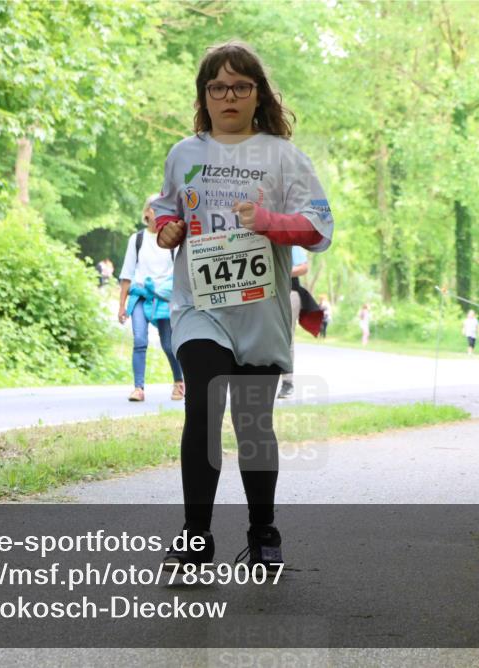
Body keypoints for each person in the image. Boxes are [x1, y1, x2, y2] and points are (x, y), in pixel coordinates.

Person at [152, 41, 333, 570]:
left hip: (261, 310)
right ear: (204, 97)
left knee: (253, 424)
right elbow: (165, 208)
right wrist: (167, 229)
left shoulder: (284, 156)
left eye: (240, 86)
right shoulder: (185, 153)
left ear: (259, 95)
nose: (228, 96)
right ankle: (195, 536)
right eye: (217, 87)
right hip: (198, 307)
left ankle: (263, 531)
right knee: (202, 411)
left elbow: (320, 229)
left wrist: (270, 223)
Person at [118, 196, 185, 402]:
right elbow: (127, 274)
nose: (159, 214)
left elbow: (179, 274)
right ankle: (138, 388)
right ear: (147, 213)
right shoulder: (137, 239)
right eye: (156, 210)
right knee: (139, 340)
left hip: (164, 298)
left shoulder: (173, 241)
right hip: (140, 296)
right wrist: (121, 306)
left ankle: (178, 382)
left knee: (168, 343)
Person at [277, 246, 309, 399]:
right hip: (264, 294)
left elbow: (303, 267)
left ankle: (287, 382)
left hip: (289, 292)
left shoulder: (290, 241)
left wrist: (279, 270)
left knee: (287, 337)